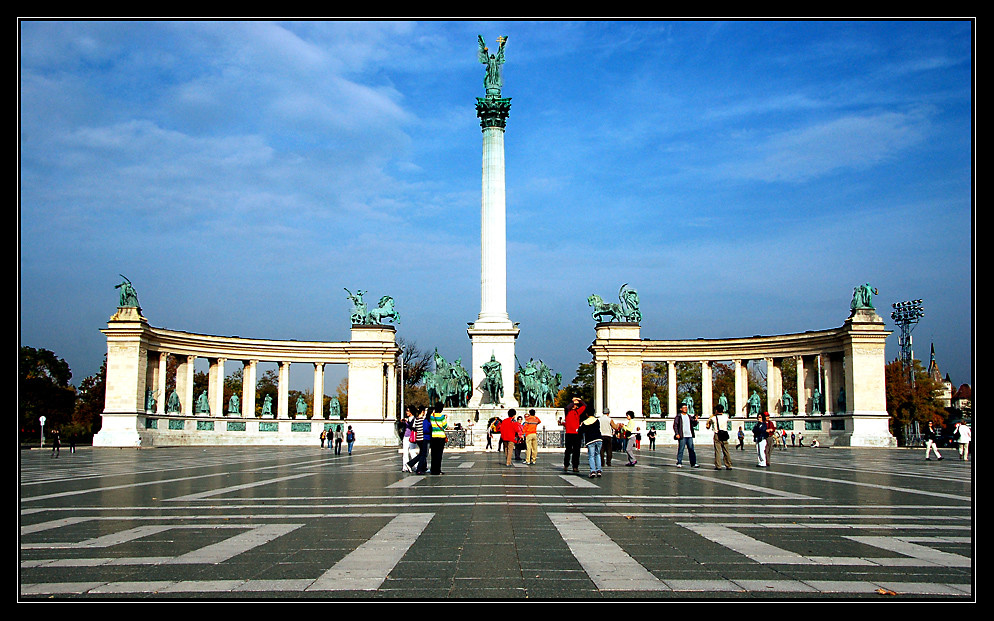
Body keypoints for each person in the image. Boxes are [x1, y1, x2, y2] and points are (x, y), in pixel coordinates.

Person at [559, 397, 586, 473]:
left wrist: (579, 400)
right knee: (568, 450)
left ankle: (575, 466)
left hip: (576, 434)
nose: (575, 405)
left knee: (576, 451)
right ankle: (566, 464)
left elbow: (584, 406)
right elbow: (567, 407)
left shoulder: (577, 412)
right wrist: (573, 401)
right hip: (569, 433)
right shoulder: (567, 412)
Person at [707, 405, 732, 470]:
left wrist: (713, 415)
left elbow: (708, 424)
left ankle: (718, 465)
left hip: (717, 434)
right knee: (726, 450)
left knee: (718, 451)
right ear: (723, 410)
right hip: (724, 434)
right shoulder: (726, 417)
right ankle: (728, 464)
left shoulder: (713, 418)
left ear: (716, 410)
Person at [673, 403, 698, 468]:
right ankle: (679, 462)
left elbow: (694, 424)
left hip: (689, 435)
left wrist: (696, 420)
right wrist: (677, 433)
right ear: (681, 409)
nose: (685, 409)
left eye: (686, 408)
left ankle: (693, 463)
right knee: (681, 449)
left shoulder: (689, 416)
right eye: (684, 408)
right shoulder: (678, 417)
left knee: (691, 449)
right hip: (682, 435)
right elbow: (675, 425)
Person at [579, 409, 603, 478]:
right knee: (598, 454)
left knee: (591, 456)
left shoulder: (585, 422)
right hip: (598, 439)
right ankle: (599, 470)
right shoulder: (597, 420)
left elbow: (581, 431)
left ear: (587, 414)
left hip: (590, 440)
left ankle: (592, 471)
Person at [407, 406, 429, 474]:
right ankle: (412, 464)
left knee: (422, 453)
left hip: (418, 438)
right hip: (423, 438)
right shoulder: (423, 419)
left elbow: (414, 427)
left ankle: (424, 467)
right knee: (423, 454)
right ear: (423, 411)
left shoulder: (416, 419)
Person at [429, 404, 448, 474]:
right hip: (441, 437)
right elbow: (445, 426)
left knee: (433, 454)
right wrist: (445, 418)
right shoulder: (442, 417)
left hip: (433, 436)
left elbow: (431, 424)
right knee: (439, 454)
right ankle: (438, 470)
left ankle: (433, 469)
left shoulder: (432, 416)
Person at [402, 407, 418, 472]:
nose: (407, 412)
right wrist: (402, 422)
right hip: (406, 436)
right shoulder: (407, 419)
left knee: (412, 451)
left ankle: (416, 466)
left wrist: (407, 422)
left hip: (412, 437)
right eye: (406, 410)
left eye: (408, 411)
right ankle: (405, 466)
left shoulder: (414, 419)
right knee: (405, 452)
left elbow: (412, 426)